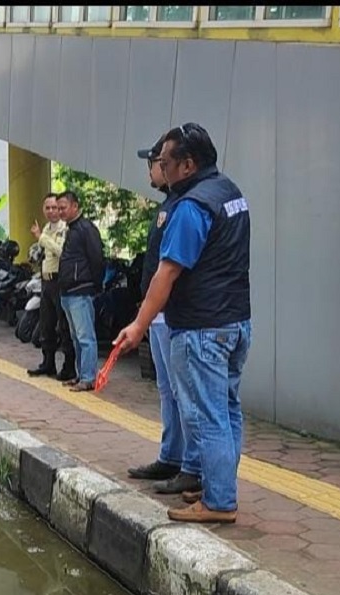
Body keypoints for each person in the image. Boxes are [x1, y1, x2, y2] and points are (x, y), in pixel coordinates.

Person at [114, 123, 251, 524]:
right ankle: (215, 485)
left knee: (208, 415)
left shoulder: (192, 206)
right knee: (227, 411)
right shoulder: (230, 193)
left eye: (165, 162)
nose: (160, 168)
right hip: (235, 322)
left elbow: (166, 274)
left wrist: (139, 325)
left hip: (202, 328)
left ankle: (219, 502)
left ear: (188, 165)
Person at [125, 137, 200, 497]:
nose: (153, 169)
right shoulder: (167, 205)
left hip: (171, 314)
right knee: (167, 389)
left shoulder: (186, 206)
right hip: (155, 314)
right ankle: (171, 455)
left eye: (157, 161)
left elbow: (172, 269)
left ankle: (191, 465)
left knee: (184, 393)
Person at [55, 190, 104, 392]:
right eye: (58, 208)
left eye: (63, 208)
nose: (60, 212)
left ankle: (88, 377)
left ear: (75, 206)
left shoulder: (85, 229)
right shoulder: (71, 230)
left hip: (80, 291)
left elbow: (97, 259)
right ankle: (80, 374)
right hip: (67, 292)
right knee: (76, 337)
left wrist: (95, 284)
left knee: (86, 337)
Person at [27, 192, 76, 381]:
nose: (51, 211)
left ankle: (69, 366)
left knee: (63, 325)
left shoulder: (64, 229)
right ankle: (48, 363)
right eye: (47, 208)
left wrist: (41, 237)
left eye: (54, 207)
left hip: (59, 280)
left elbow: (61, 251)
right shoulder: (46, 228)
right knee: (46, 324)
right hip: (45, 281)